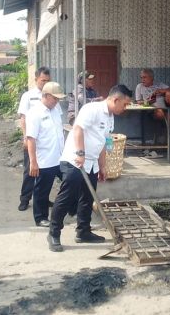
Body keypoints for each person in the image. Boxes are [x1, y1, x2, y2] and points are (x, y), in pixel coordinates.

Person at [47, 84, 133, 252]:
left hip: (92, 163)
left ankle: (83, 231)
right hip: (75, 161)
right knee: (66, 198)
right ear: (116, 99)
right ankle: (53, 233)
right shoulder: (91, 109)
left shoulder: (110, 117)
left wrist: (102, 166)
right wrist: (80, 153)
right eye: (125, 104)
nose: (125, 108)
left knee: (87, 198)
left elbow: (104, 141)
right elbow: (78, 129)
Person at [25, 82, 66, 227]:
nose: (57, 101)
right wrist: (33, 162)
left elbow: (59, 132)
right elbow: (31, 139)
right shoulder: (34, 113)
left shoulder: (56, 109)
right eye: (55, 98)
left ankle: (71, 210)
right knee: (42, 191)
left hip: (60, 157)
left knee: (70, 184)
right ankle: (41, 217)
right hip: (44, 160)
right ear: (46, 96)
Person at [16, 67, 53, 211]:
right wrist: (26, 137)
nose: (45, 83)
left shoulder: (51, 95)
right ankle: (25, 199)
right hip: (32, 140)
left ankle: (43, 199)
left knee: (45, 172)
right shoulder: (28, 95)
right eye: (43, 80)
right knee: (29, 170)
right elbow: (23, 118)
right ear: (36, 79)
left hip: (46, 142)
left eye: (48, 81)